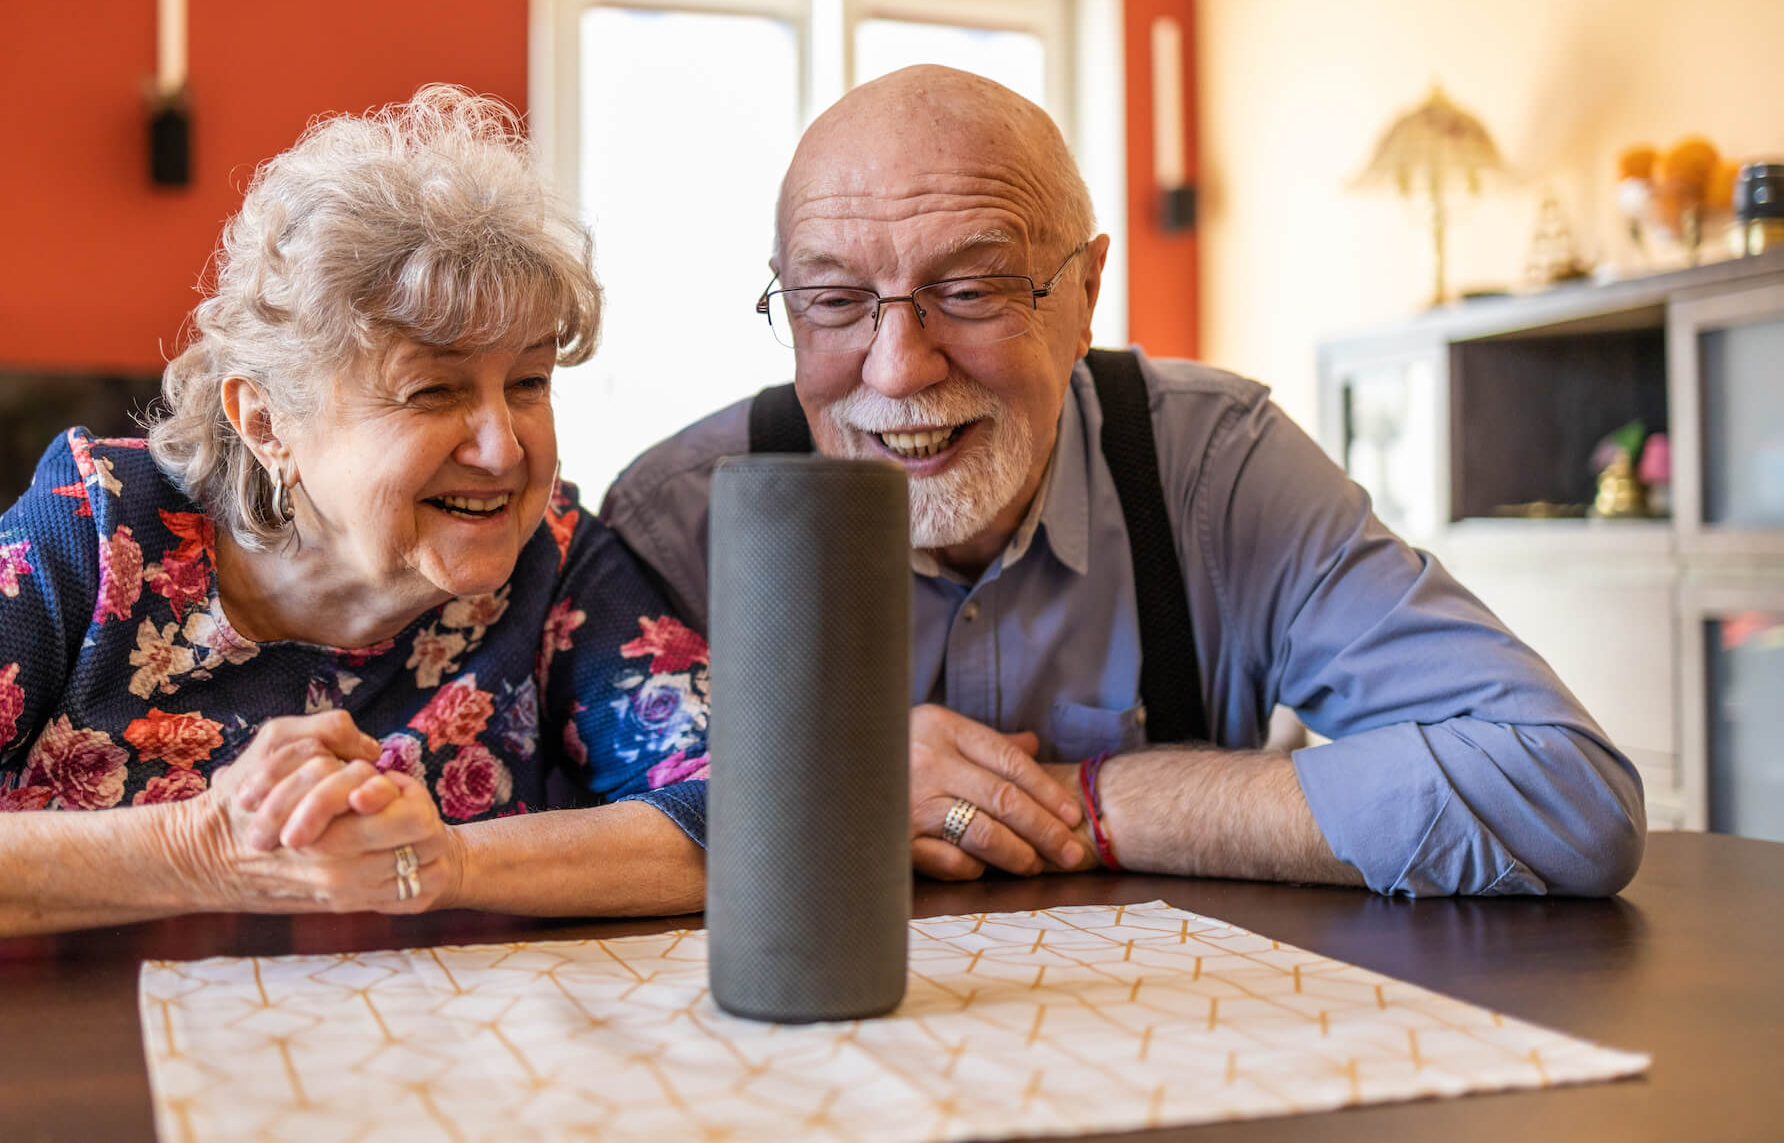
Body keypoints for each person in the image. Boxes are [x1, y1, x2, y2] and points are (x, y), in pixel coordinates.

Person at [603, 65, 1644, 898]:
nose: (895, 367)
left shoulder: (1215, 470)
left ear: (1085, 291)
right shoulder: (677, 522)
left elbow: (1561, 791)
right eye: (832, 301)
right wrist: (840, 778)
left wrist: (1085, 801)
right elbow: (566, 844)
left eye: (968, 290)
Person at [0, 86, 711, 972]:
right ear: (267, 422)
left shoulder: (553, 558)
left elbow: (758, 810)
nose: (505, 448)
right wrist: (201, 847)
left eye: (528, 382)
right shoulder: (102, 532)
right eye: (433, 390)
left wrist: (448, 864)